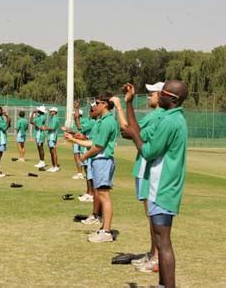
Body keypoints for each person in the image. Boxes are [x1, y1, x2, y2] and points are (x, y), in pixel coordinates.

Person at [122, 80, 188, 288]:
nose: (160, 95)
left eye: (164, 93)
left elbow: (149, 151)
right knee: (160, 240)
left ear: (174, 99)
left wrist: (133, 135)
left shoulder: (170, 121)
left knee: (164, 242)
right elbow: (143, 136)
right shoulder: (173, 118)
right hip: (161, 186)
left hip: (163, 187)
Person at [111, 82, 165, 273]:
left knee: (153, 217)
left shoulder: (159, 116)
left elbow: (130, 131)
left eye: (152, 93)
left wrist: (122, 105)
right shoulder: (154, 115)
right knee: (150, 216)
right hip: (144, 168)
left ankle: (157, 258)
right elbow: (130, 131)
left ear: (161, 95)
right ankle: (153, 254)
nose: (149, 96)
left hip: (148, 169)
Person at [66, 92, 119, 243]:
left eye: (97, 102)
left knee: (104, 196)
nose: (95, 105)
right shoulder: (102, 121)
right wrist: (73, 139)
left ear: (105, 104)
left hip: (103, 160)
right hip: (99, 160)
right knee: (100, 194)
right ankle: (104, 228)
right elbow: (92, 142)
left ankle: (106, 231)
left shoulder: (108, 122)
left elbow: (98, 146)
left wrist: (84, 156)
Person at [65, 103, 102, 224]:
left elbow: (83, 132)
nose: (92, 109)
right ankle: (91, 198)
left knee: (96, 184)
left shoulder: (94, 122)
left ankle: (92, 201)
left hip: (94, 154)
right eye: (91, 108)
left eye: (94, 108)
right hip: (89, 151)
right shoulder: (92, 121)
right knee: (89, 174)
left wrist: (74, 137)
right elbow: (80, 128)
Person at [0, 106, 11, 177]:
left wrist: (7, 117)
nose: (2, 111)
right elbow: (4, 127)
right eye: (1, 110)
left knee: (0, 155)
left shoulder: (0, 118)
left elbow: (8, 125)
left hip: (2, 138)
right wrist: (7, 118)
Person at [42, 107, 60, 172]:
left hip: (53, 137)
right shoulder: (52, 118)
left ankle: (56, 167)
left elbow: (52, 128)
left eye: (51, 111)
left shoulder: (55, 118)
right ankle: (53, 166)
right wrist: (45, 127)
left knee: (53, 151)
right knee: (51, 152)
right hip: (50, 136)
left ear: (55, 112)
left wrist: (45, 128)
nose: (50, 112)